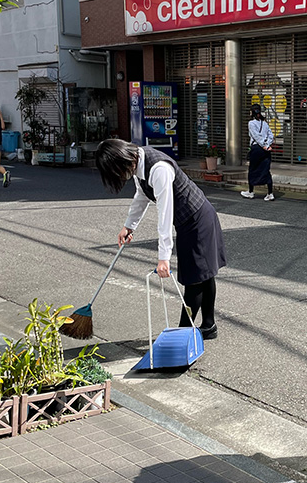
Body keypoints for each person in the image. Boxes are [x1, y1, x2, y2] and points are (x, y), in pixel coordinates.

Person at [96, 139, 225, 340]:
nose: (120, 177)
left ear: (123, 160)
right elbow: (142, 195)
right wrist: (129, 225)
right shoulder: (139, 162)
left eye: (117, 172)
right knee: (204, 274)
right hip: (190, 219)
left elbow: (165, 213)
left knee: (195, 279)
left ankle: (182, 335)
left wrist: (163, 258)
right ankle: (208, 326)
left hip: (197, 219)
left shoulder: (159, 169)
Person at [242, 104, 275, 201]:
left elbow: (256, 136)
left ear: (252, 112)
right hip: (266, 150)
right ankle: (270, 193)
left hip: (257, 148)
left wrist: (264, 145)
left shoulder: (251, 123)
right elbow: (271, 135)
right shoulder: (264, 123)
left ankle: (251, 192)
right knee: (266, 170)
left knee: (253, 169)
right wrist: (267, 145)